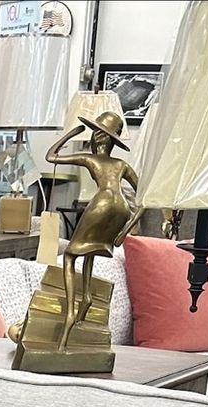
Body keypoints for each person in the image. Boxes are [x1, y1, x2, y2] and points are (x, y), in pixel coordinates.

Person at [43, 110, 141, 350]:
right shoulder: (121, 165)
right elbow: (144, 197)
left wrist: (72, 133)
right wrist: (125, 228)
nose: (97, 139)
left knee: (69, 255)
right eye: (96, 134)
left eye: (100, 135)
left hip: (104, 202)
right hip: (121, 207)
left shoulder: (91, 160)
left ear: (105, 140)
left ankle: (70, 313)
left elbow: (51, 156)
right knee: (88, 253)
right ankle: (85, 298)